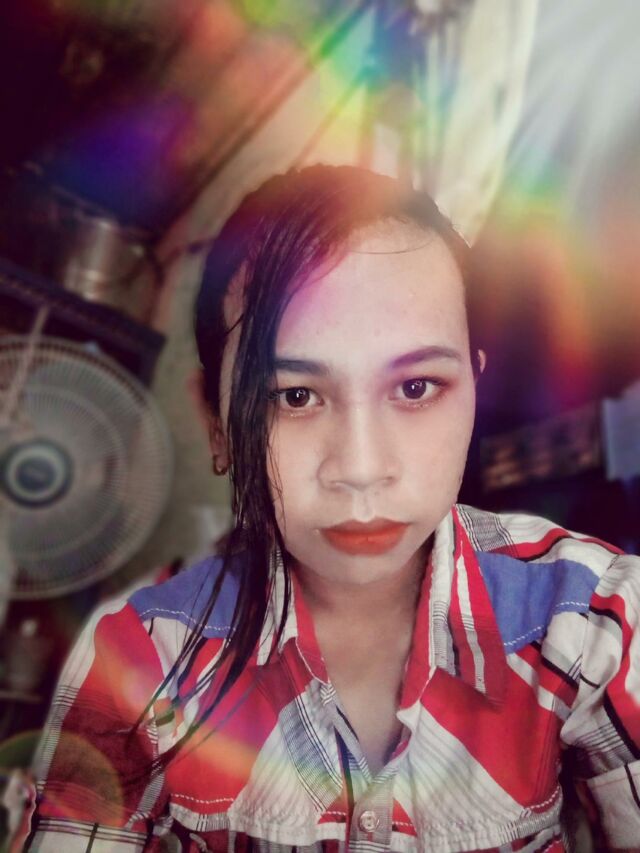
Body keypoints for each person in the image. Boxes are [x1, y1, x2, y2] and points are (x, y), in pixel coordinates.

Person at [24, 166, 640, 852]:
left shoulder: (592, 621)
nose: (361, 467)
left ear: (473, 387)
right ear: (215, 423)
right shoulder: (138, 660)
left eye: (416, 386)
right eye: (294, 396)